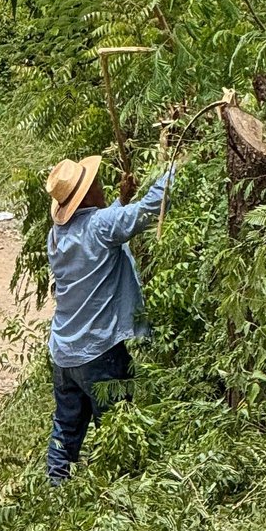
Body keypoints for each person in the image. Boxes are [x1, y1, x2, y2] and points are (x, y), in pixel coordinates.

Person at [44, 153, 172, 483]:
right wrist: (175, 169)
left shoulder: (56, 236)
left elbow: (98, 233)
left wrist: (121, 201)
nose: (101, 186)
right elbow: (147, 210)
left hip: (64, 352)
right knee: (118, 428)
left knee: (65, 429)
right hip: (100, 350)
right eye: (96, 184)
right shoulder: (102, 226)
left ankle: (54, 489)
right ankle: (118, 494)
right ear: (87, 195)